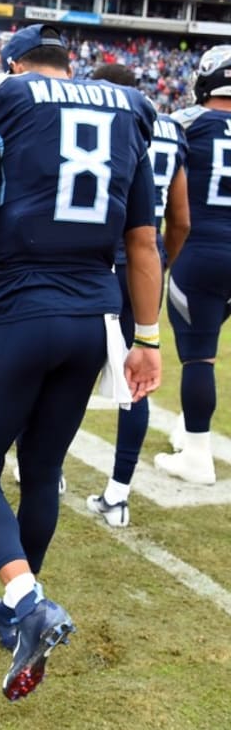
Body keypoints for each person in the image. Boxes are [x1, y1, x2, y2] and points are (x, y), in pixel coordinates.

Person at [0, 25, 162, 701]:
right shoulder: (127, 110)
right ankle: (19, 608)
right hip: (94, 321)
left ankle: (27, 600)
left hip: (21, 315)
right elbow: (143, 243)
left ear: (15, 64)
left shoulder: (10, 100)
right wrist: (148, 339)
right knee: (44, 468)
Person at [84, 63, 189, 525]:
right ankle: (119, 493)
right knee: (137, 380)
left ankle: (40, 469)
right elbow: (181, 218)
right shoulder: (170, 128)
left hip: (98, 260)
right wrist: (162, 262)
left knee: (61, 367)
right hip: (147, 262)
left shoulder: (99, 115)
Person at [153, 44, 231, 485]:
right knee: (210, 340)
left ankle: (198, 453)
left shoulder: (184, 123)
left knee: (199, 356)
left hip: (201, 248)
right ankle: (189, 424)